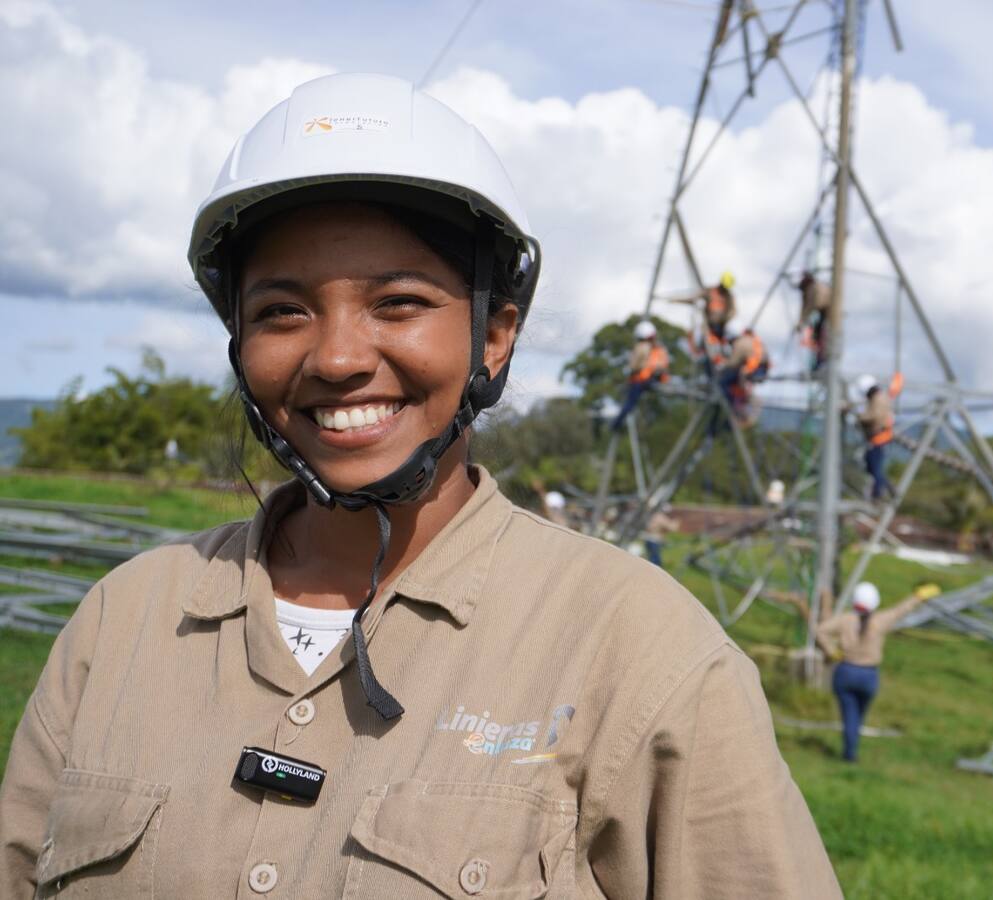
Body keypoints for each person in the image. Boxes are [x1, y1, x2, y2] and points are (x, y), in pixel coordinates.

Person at [0, 74, 841, 898]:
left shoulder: (641, 653)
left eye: (398, 303)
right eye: (281, 312)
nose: (335, 358)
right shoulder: (122, 624)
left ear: (495, 336)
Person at [815, 581, 940, 762]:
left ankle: (850, 753)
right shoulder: (880, 621)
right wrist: (918, 597)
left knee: (849, 714)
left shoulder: (845, 620)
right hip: (868, 676)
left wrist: (832, 651)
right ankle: (851, 750)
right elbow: (900, 610)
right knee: (858, 716)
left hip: (846, 672)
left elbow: (821, 630)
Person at [611, 319, 669, 432]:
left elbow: (661, 367)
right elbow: (634, 367)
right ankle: (616, 424)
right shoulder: (644, 348)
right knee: (629, 404)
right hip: (640, 381)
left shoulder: (655, 349)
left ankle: (617, 424)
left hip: (648, 381)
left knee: (630, 404)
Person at [856, 372, 904, 501]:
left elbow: (874, 416)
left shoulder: (878, 399)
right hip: (879, 436)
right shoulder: (879, 397)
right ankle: (885, 486)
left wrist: (861, 417)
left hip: (879, 437)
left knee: (875, 466)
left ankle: (878, 494)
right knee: (870, 464)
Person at [716, 319, 770, 424]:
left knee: (723, 382)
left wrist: (722, 363)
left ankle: (734, 408)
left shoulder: (740, 343)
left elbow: (733, 363)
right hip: (762, 370)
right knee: (736, 381)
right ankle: (740, 406)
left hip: (752, 370)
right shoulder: (755, 340)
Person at [796, 270, 832, 371]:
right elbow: (806, 307)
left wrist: (801, 323)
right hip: (825, 313)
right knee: (819, 334)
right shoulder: (815, 286)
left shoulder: (811, 289)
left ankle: (822, 361)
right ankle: (820, 360)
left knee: (822, 336)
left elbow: (808, 307)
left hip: (828, 313)